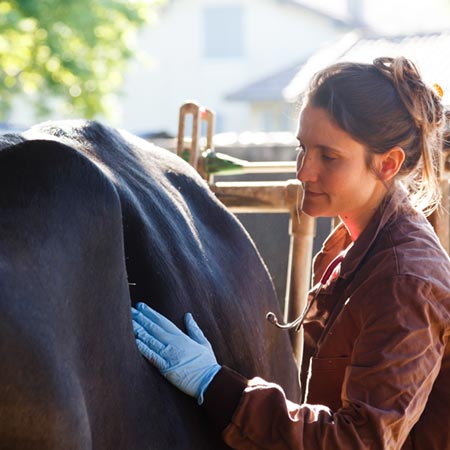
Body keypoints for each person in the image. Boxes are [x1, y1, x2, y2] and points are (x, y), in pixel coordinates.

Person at [131, 56, 450, 449]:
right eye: (303, 148)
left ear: (388, 164)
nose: (303, 171)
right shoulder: (355, 243)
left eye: (328, 157)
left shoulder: (406, 281)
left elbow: (358, 441)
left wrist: (214, 384)